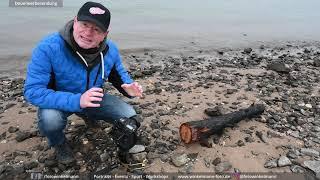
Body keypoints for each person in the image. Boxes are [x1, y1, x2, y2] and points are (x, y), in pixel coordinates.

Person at [24, 1, 143, 164]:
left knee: (129, 115)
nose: (88, 32)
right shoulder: (48, 48)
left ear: (105, 34)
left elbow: (119, 75)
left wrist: (128, 88)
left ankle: (88, 114)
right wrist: (77, 101)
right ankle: (59, 143)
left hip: (93, 99)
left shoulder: (110, 50)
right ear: (75, 22)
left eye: (96, 29)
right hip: (60, 101)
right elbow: (33, 91)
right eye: (85, 24)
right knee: (50, 121)